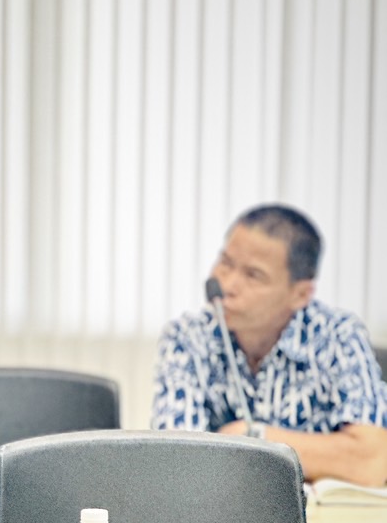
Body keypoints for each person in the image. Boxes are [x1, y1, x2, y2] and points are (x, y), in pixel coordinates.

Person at [151, 203, 387, 486]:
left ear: (300, 294)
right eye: (225, 263)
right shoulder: (187, 337)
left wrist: (253, 438)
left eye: (253, 275)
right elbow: (176, 461)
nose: (227, 285)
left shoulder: (338, 335)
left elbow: (373, 461)